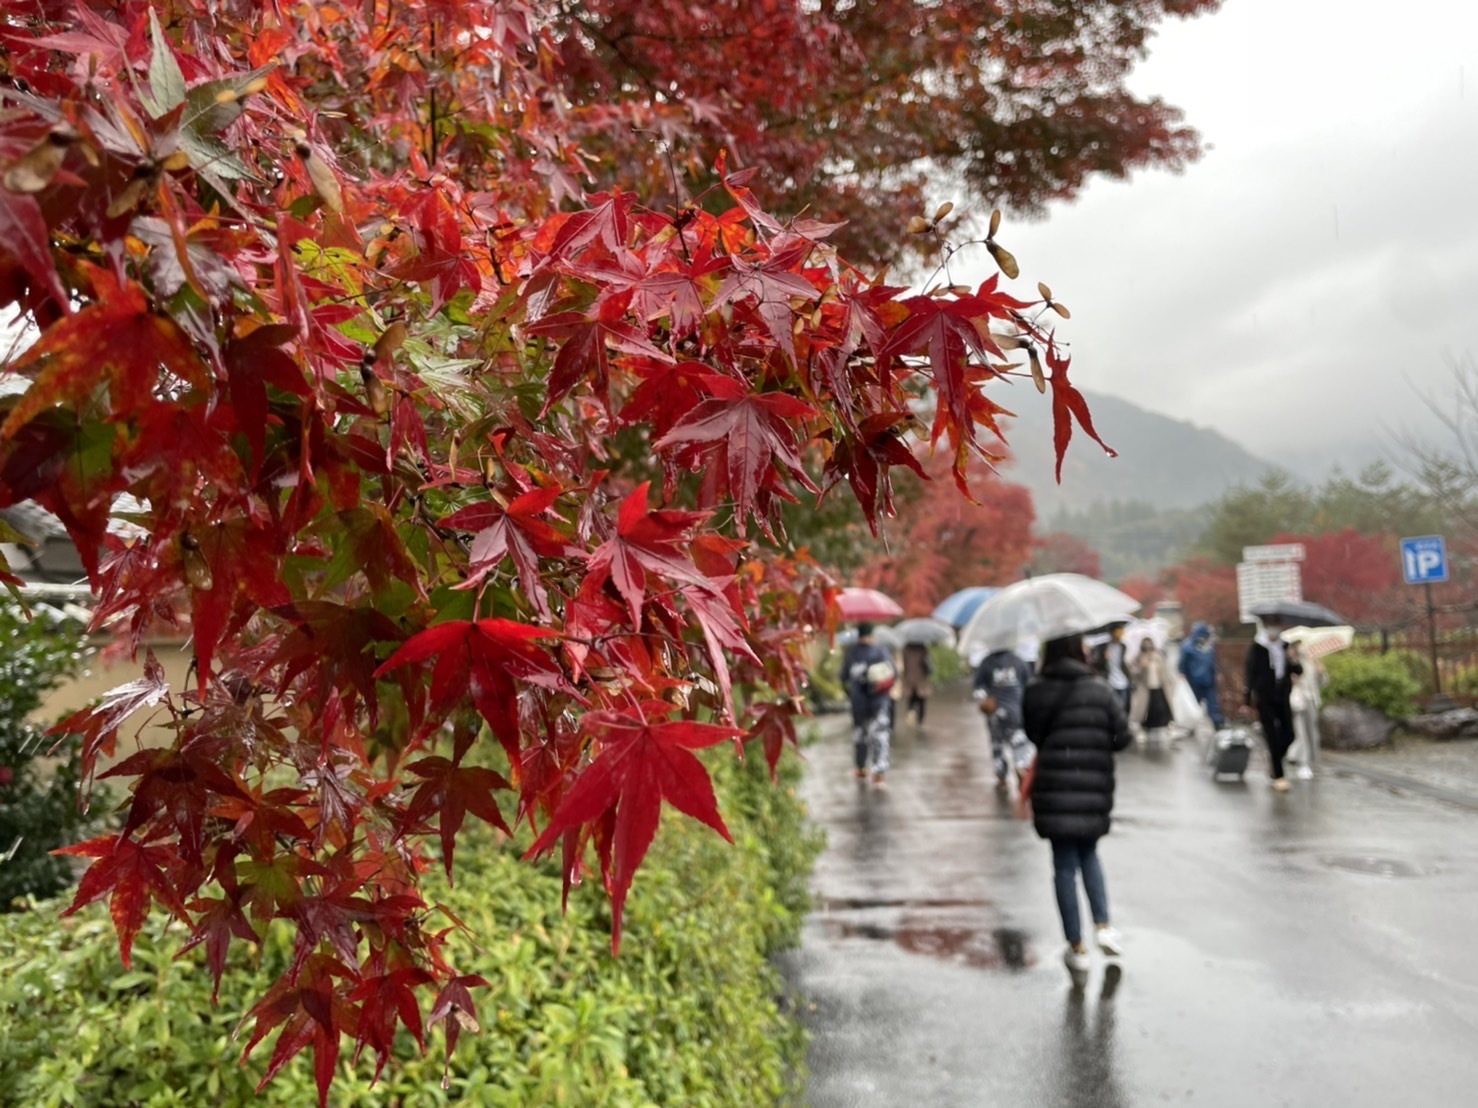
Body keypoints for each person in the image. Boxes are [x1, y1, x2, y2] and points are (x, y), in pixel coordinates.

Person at [1023, 632, 1133, 988]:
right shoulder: (1099, 689)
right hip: (1093, 787)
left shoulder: (1037, 689)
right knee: (1089, 854)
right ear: (1078, 651)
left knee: (1064, 866)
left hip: (1054, 790)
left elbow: (1033, 734)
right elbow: (1123, 737)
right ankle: (1104, 925)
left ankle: (1077, 946)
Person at [1244, 617, 1303, 792]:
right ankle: (1279, 775)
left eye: (1276, 626)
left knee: (1289, 734)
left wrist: (1293, 659)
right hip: (1264, 696)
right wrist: (1246, 700)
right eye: (1271, 626)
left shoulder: (1285, 646)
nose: (1274, 630)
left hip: (1283, 694)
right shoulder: (1257, 647)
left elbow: (1298, 671)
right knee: (1271, 735)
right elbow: (1250, 674)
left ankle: (1274, 757)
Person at [972, 643, 1036, 789]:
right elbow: (1030, 686)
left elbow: (978, 689)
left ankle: (1001, 776)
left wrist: (985, 697)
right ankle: (1021, 765)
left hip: (994, 712)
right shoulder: (1019, 661)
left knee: (997, 745)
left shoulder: (986, 663)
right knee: (1019, 742)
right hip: (1016, 711)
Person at [842, 623, 895, 787]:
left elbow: (843, 677)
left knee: (861, 736)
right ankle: (879, 773)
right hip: (879, 701)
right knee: (880, 735)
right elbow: (894, 673)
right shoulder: (881, 652)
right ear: (872, 635)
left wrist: (851, 692)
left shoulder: (852, 654)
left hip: (859, 703)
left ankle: (861, 768)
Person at [1285, 642, 1327, 779]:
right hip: (1296, 701)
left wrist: (1321, 672)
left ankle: (1311, 761)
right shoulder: (1290, 662)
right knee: (1300, 731)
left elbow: (1322, 683)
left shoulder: (1311, 662)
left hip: (1311, 700)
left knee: (1312, 733)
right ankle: (1303, 763)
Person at [1177, 622, 1225, 729]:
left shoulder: (1209, 646)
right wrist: (1182, 673)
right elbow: (1182, 663)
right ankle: (1191, 725)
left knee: (1213, 704)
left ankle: (1217, 724)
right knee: (1194, 705)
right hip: (1193, 681)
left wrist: (1216, 673)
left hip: (1209, 680)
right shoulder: (1187, 646)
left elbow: (1212, 661)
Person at [1131, 639, 1175, 743]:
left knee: (1161, 708)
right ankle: (1144, 728)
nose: (1148, 647)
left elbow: (1165, 670)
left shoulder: (1158, 656)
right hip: (1145, 688)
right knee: (1145, 710)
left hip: (1159, 687)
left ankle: (1166, 727)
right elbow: (1133, 672)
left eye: (1149, 645)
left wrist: (1171, 682)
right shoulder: (1139, 657)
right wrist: (1141, 667)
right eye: (1146, 645)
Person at [1090, 624, 1132, 717]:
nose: (1118, 638)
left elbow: (1124, 663)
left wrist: (1129, 677)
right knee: (1109, 707)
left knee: (1122, 707)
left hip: (1122, 681)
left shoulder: (1123, 646)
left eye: (1120, 635)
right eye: (1116, 634)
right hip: (1108, 681)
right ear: (1111, 634)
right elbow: (1096, 664)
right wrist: (1104, 658)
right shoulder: (1103, 647)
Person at [899, 641, 934, 725]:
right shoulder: (922, 648)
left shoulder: (906, 648)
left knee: (911, 699)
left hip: (909, 678)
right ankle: (920, 721)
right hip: (920, 678)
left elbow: (904, 663)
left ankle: (911, 716)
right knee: (921, 700)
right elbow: (927, 664)